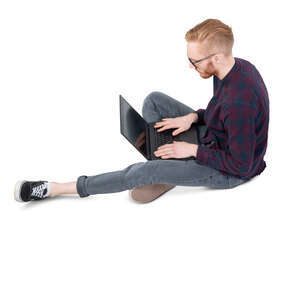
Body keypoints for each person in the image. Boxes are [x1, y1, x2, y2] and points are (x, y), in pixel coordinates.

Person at [14, 18, 269, 204]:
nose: (191, 66)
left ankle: (56, 188)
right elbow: (220, 111)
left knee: (142, 172)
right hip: (216, 137)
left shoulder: (239, 103)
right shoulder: (235, 68)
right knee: (154, 101)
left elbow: (242, 165)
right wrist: (193, 117)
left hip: (228, 170)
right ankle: (173, 167)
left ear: (216, 57)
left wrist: (193, 150)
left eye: (194, 61)